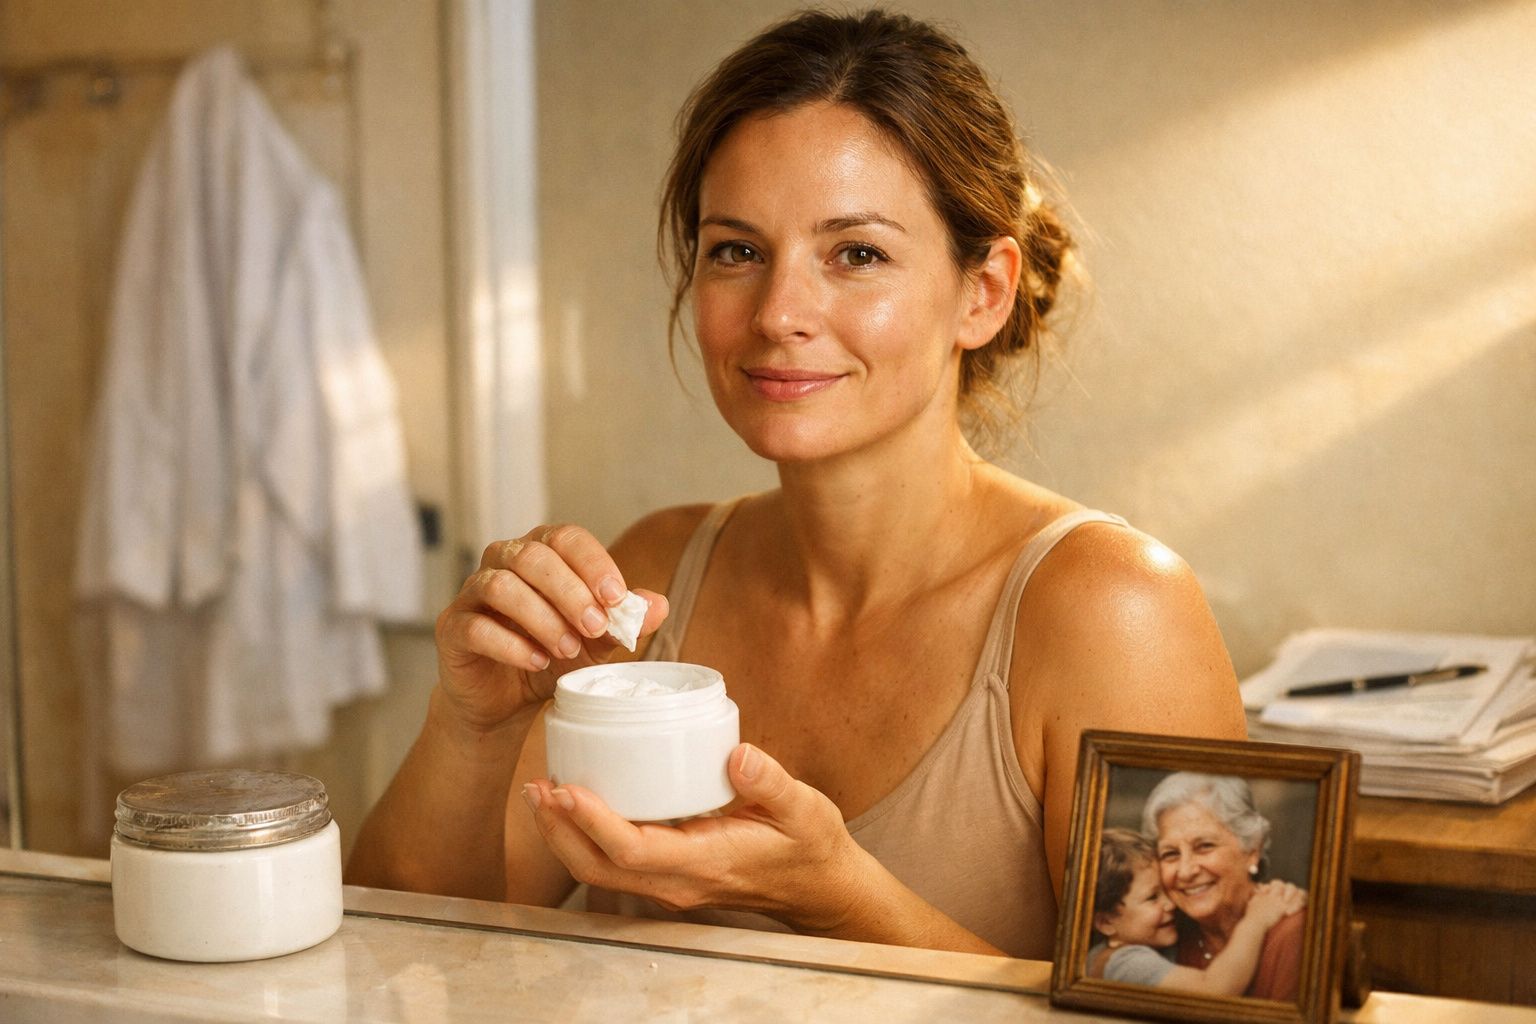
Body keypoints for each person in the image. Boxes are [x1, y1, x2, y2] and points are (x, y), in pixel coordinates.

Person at [345, 8, 1245, 960]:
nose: (779, 313)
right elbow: (396, 958)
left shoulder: (1118, 614)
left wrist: (839, 897)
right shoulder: (649, 581)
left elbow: (1203, 1010)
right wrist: (473, 723)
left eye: (857, 254)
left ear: (981, 293)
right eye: (736, 250)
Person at [1142, 773, 1306, 1000]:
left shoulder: (1294, 934)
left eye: (1204, 846)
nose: (1186, 871)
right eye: (1170, 854)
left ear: (1252, 851)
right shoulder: (1164, 933)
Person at [1088, 828, 1305, 992]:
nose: (1171, 904)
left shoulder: (1137, 940)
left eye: (1165, 891)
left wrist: (1276, 896)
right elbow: (1216, 990)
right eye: (1152, 897)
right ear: (1106, 922)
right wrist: (1255, 921)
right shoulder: (1127, 964)